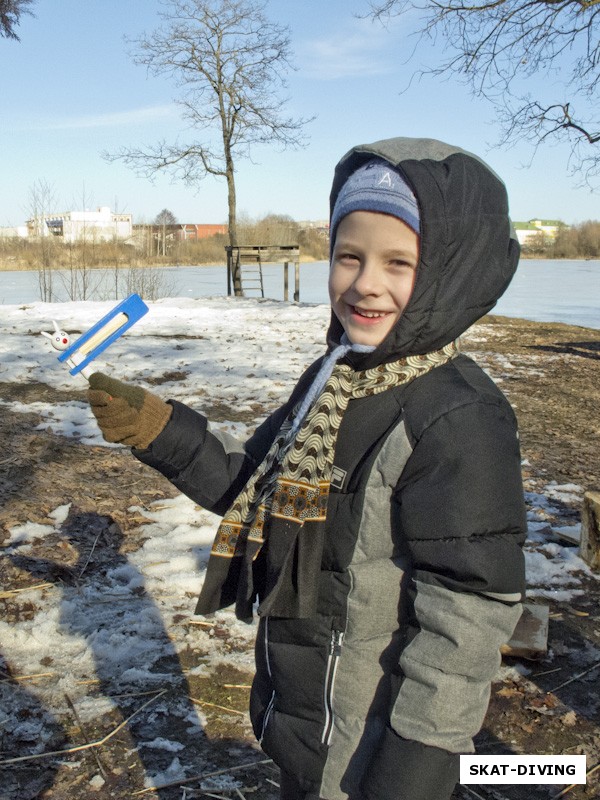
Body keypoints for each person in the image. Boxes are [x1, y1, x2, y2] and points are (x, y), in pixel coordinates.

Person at [87, 137, 527, 800]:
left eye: (398, 262)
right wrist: (160, 431)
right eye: (348, 256)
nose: (365, 282)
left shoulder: (456, 417)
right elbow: (249, 487)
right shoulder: (331, 381)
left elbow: (465, 617)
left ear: (448, 275)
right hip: (304, 723)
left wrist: (417, 766)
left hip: (375, 754)